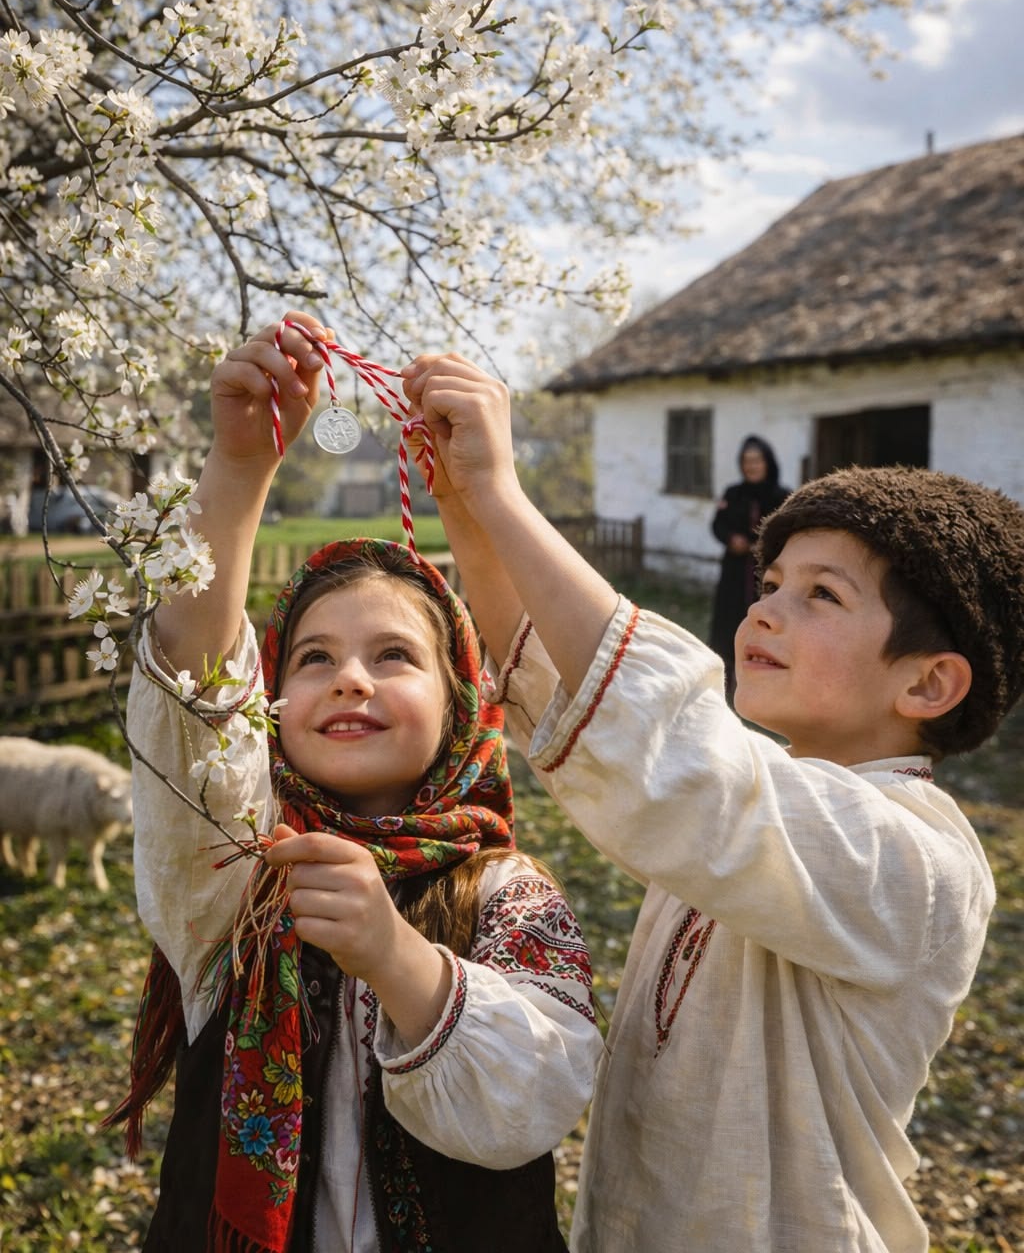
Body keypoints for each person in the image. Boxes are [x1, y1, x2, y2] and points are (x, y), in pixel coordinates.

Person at [400, 351, 1024, 1253]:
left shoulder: (919, 861)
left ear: (929, 684)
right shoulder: (770, 799)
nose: (765, 611)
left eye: (821, 595)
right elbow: (560, 684)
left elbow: (671, 747)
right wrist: (464, 505)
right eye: (771, 586)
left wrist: (503, 495)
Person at [111, 314, 601, 1253]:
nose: (350, 678)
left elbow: (539, 1096)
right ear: (272, 697)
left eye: (393, 655)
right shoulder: (238, 866)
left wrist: (398, 957)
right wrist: (240, 465)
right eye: (315, 657)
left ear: (462, 703)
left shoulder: (506, 892)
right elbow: (193, 698)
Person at [708, 434, 789, 695]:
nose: (751, 466)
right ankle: (727, 683)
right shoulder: (733, 493)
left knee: (764, 622)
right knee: (729, 622)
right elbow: (717, 524)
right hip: (733, 571)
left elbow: (788, 531)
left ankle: (763, 683)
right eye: (746, 461)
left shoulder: (782, 496)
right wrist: (731, 539)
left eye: (756, 460)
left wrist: (761, 547)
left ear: (767, 463)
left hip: (768, 574)